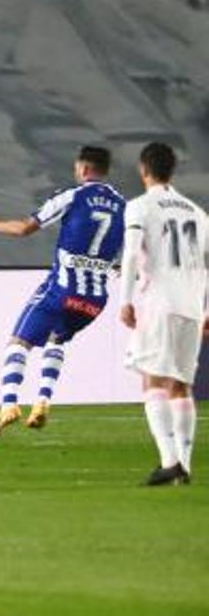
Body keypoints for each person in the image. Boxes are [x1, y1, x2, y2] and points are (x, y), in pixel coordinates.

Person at [0, 145, 124, 439]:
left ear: (83, 168)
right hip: (94, 299)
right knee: (58, 338)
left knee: (19, 342)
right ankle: (42, 400)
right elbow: (128, 248)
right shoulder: (123, 205)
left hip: (62, 289)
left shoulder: (74, 195)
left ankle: (9, 403)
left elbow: (24, 229)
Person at [117, 142, 207, 486]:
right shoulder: (197, 212)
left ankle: (169, 461)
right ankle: (183, 466)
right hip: (192, 307)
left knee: (152, 379)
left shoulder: (140, 207)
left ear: (143, 170)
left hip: (160, 303)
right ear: (172, 170)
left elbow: (131, 254)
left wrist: (125, 300)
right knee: (182, 386)